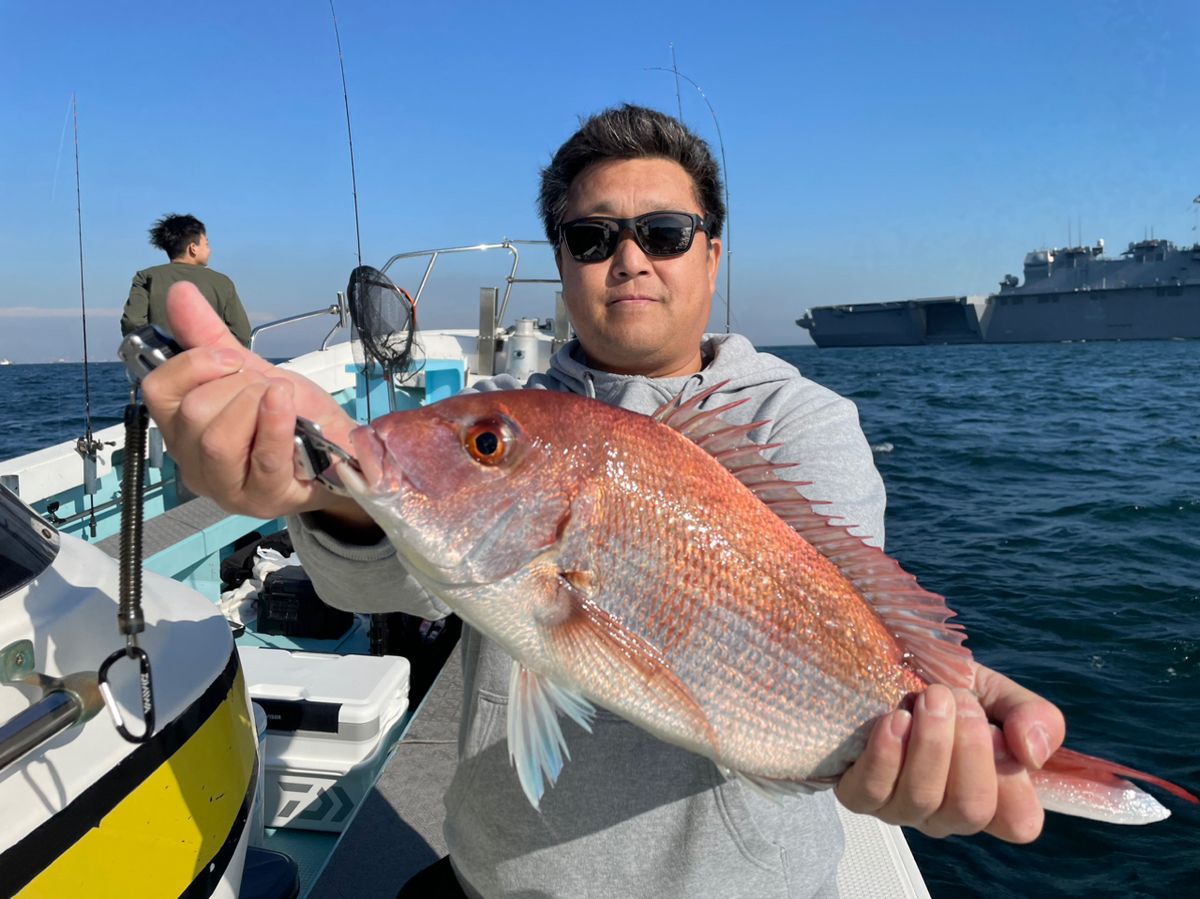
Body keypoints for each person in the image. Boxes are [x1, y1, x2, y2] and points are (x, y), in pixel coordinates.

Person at [142, 105, 1065, 898]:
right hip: (497, 879)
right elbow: (382, 583)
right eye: (594, 237)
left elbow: (829, 600)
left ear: (711, 252)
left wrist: (907, 723)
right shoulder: (528, 411)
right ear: (562, 259)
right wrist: (329, 485)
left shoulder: (801, 419)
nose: (630, 259)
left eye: (662, 232)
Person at [121, 213, 252, 347]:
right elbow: (241, 335)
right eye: (206, 244)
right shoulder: (223, 282)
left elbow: (132, 322)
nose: (210, 250)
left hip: (161, 365)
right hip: (210, 363)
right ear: (193, 248)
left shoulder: (146, 276)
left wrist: (156, 350)